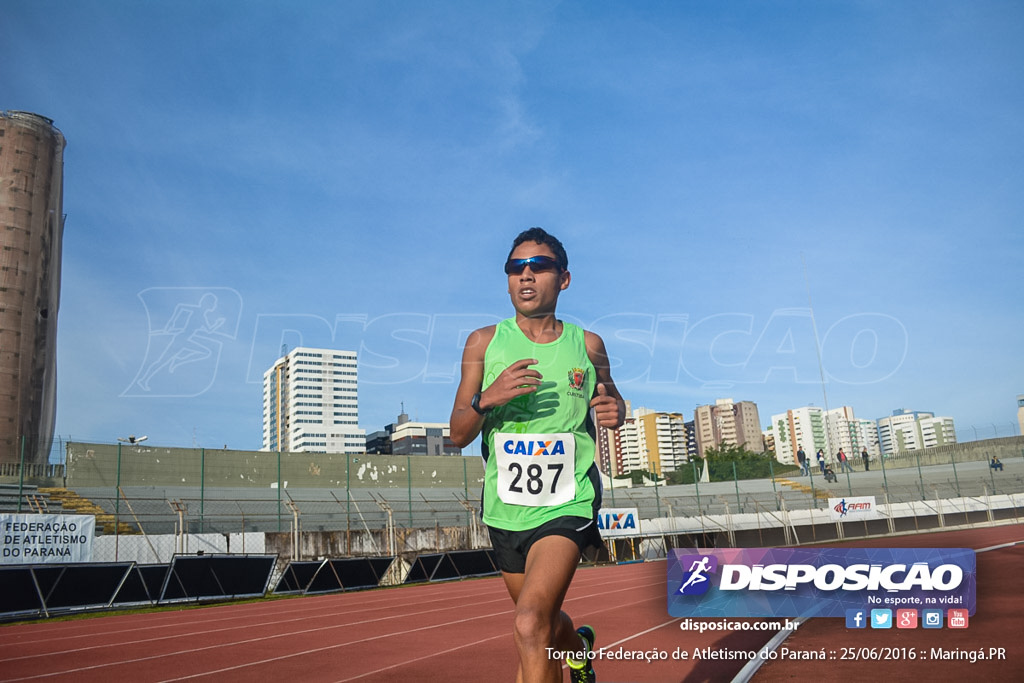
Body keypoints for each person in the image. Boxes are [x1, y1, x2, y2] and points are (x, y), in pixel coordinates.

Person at [450, 228, 625, 683]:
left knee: (529, 624)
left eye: (539, 266)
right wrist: (487, 398)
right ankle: (579, 648)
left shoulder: (587, 346)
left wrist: (614, 409)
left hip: (568, 502)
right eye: (516, 267)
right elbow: (457, 435)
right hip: (505, 509)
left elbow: (614, 400)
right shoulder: (483, 343)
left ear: (563, 279)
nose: (526, 276)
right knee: (545, 626)